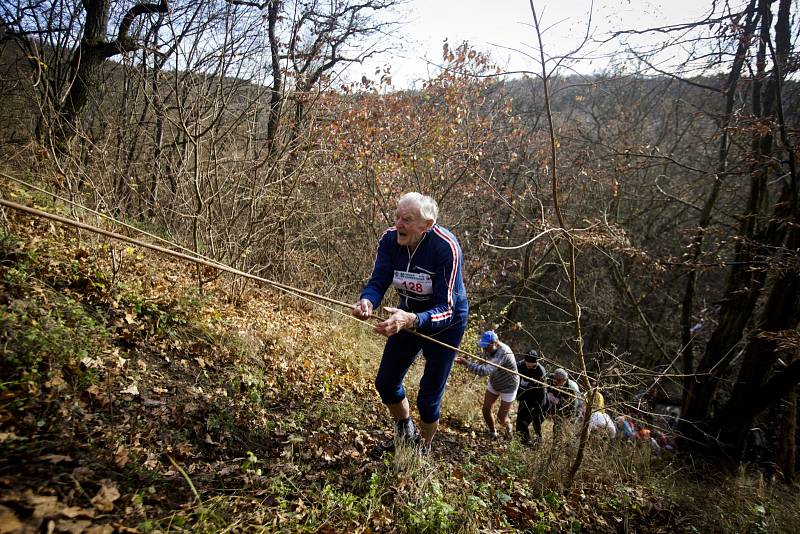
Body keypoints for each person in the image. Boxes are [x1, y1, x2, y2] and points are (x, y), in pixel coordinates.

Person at [352, 192, 468, 456]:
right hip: (407, 314)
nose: (398, 225)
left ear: (427, 225)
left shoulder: (445, 247)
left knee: (427, 400)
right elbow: (378, 280)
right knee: (386, 382)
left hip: (445, 324)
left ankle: (422, 449)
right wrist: (368, 301)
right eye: (397, 217)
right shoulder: (389, 240)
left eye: (407, 219)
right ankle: (405, 431)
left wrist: (413, 320)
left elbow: (447, 309)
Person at [454, 330, 519, 438]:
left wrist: (467, 363)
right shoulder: (489, 348)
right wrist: (470, 361)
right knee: (486, 409)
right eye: (483, 346)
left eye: (486, 347)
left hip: (509, 386)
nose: (484, 349)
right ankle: (493, 432)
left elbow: (484, 371)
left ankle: (508, 427)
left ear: (495, 343)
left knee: (501, 418)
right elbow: (482, 361)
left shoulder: (503, 352)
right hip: (495, 382)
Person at [514, 348, 548, 445]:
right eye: (527, 361)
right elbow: (512, 371)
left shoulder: (540, 371)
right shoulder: (520, 365)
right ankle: (523, 442)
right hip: (524, 398)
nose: (528, 364)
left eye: (531, 363)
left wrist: (537, 407)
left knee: (536, 423)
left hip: (537, 400)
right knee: (520, 421)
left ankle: (539, 442)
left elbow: (542, 392)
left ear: (536, 362)